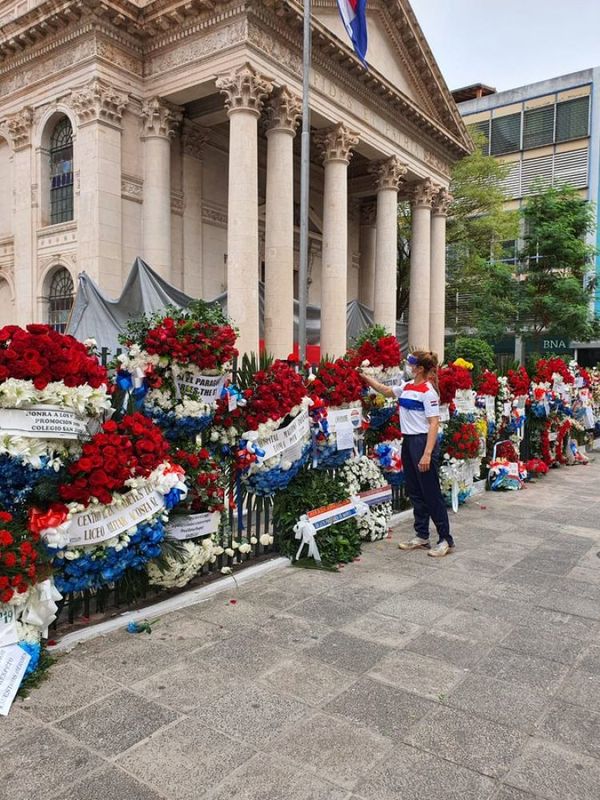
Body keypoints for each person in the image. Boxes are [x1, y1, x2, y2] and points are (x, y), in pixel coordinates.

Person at [359, 350, 454, 557]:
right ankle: (421, 535)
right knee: (415, 491)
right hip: (409, 441)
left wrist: (427, 453)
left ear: (420, 368)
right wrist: (365, 377)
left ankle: (445, 538)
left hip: (422, 442)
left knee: (431, 492)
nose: (409, 367)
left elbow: (434, 423)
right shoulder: (407, 386)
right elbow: (385, 391)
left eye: (412, 364)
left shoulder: (429, 392)